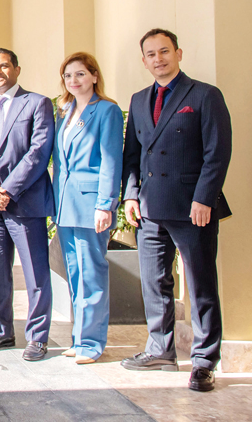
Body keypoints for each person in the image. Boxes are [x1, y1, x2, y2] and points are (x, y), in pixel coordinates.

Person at [120, 29, 232, 393]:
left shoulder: (203, 95)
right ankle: (160, 350)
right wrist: (131, 196)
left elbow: (217, 152)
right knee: (154, 283)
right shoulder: (138, 100)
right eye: (150, 54)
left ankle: (203, 361)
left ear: (178, 53)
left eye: (164, 51)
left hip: (192, 208)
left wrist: (205, 198)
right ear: (144, 60)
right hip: (150, 209)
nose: (158, 59)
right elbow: (133, 156)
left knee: (200, 285)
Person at [0, 48, 55, 361]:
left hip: (25, 204)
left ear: (16, 69)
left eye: (4, 66)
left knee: (35, 274)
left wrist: (7, 190)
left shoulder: (37, 104)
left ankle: (37, 337)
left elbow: (38, 152)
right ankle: (2, 332)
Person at [52, 52, 123, 364]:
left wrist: (105, 204)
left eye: (80, 74)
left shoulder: (106, 111)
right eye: (68, 76)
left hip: (91, 204)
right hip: (66, 204)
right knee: (75, 272)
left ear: (94, 76)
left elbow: (111, 160)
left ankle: (92, 343)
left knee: (92, 273)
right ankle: (79, 337)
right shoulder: (65, 113)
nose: (73, 81)